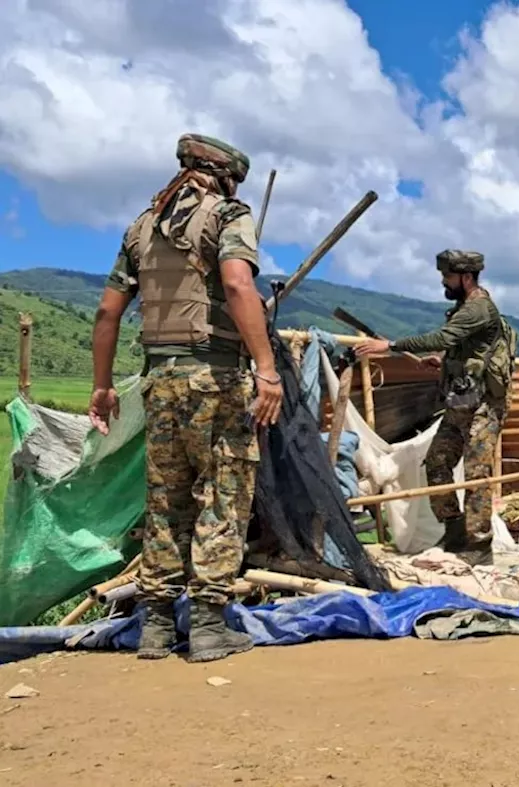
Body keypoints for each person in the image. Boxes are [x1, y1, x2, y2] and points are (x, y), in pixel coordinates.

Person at [89, 133, 282, 663]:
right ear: (224, 176)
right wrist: (266, 370)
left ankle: (154, 627)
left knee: (165, 501)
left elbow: (108, 313)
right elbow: (239, 286)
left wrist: (102, 387)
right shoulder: (228, 216)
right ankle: (207, 628)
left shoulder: (141, 227)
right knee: (221, 497)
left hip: (159, 382)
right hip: (215, 381)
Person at [355, 250, 517, 562]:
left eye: (448, 276)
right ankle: (454, 530)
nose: (443, 281)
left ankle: (479, 544)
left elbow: (443, 338)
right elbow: (466, 353)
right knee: (437, 464)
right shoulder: (462, 309)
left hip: (484, 405)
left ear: (466, 277)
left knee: (476, 471)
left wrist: (390, 346)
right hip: (461, 402)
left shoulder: (479, 307)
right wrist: (443, 366)